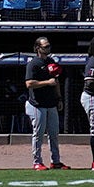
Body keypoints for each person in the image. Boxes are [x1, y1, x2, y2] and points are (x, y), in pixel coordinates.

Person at [23, 39, 68, 172]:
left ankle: (56, 161)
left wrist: (59, 98)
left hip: (51, 103)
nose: (48, 48)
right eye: (45, 46)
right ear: (38, 48)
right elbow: (29, 83)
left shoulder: (51, 62)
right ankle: (37, 161)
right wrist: (47, 82)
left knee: (54, 133)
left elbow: (56, 81)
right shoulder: (33, 64)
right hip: (37, 104)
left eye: (49, 45)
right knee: (38, 134)